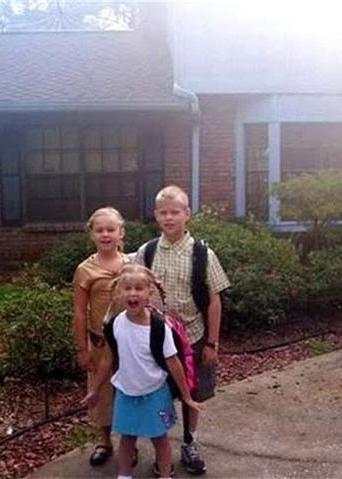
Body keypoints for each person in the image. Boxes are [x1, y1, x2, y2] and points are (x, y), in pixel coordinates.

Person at [134, 185, 230, 475]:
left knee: (193, 393)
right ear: (155, 215)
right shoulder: (147, 252)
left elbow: (214, 300)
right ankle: (162, 451)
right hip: (156, 340)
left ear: (187, 214)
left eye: (175, 212)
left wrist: (212, 343)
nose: (169, 218)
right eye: (163, 212)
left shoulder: (202, 253)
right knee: (158, 395)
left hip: (193, 337)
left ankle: (190, 442)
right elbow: (135, 291)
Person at [82, 264, 203, 479]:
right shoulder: (115, 325)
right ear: (118, 292)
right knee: (127, 439)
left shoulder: (159, 328)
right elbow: (108, 359)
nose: (133, 293)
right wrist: (95, 390)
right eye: (127, 288)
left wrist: (186, 397)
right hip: (126, 394)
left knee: (160, 440)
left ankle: (165, 476)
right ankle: (124, 475)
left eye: (139, 288)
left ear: (149, 292)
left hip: (155, 394)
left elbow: (174, 362)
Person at [73, 207, 130, 467]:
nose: (105, 234)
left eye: (111, 229)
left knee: (129, 391)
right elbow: (79, 312)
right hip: (100, 342)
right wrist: (82, 349)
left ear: (121, 233)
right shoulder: (85, 270)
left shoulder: (132, 264)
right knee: (102, 391)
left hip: (129, 342)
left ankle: (129, 443)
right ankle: (104, 441)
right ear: (92, 235)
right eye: (100, 230)